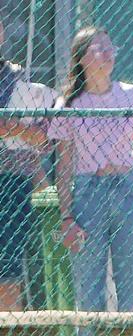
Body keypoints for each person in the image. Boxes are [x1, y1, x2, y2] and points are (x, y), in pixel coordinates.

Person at [48, 27, 133, 330]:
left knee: (132, 284)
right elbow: (64, 165)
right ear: (82, 58)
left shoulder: (130, 95)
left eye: (111, 46)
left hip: (127, 187)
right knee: (89, 289)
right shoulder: (69, 105)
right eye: (99, 48)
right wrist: (67, 216)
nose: (108, 53)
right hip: (88, 193)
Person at [0, 18, 54, 310]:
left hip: (11, 184)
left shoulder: (20, 82)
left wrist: (18, 130)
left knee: (8, 275)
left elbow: (45, 140)